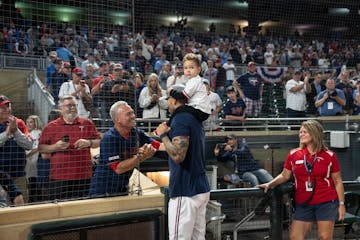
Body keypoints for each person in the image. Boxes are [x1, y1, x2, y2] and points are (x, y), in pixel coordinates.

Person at [258, 120, 346, 240]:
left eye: (305, 132)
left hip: (326, 202)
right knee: (295, 236)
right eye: (300, 132)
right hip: (304, 203)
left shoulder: (329, 155)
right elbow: (285, 175)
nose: (301, 134)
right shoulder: (294, 154)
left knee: (325, 237)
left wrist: (341, 204)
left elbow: (337, 181)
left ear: (314, 134)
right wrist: (269, 183)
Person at [155, 85, 210, 240]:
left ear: (174, 100)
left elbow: (179, 156)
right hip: (199, 188)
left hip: (185, 190)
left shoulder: (180, 118)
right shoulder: (193, 117)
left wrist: (163, 136)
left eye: (169, 99)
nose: (168, 103)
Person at [38, 95, 102, 200]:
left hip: (83, 176)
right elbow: (41, 148)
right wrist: (55, 147)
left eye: (74, 105)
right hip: (60, 177)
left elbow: (99, 141)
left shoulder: (87, 123)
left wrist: (89, 142)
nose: (72, 108)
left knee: (83, 208)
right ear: (61, 109)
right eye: (69, 106)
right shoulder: (51, 126)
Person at [89, 101, 158, 197]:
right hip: (103, 192)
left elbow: (156, 145)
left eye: (133, 112)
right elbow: (118, 168)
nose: (133, 116)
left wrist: (154, 146)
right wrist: (142, 156)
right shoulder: (110, 138)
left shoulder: (136, 132)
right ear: (118, 119)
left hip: (122, 189)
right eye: (129, 114)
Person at [0, 95, 33, 203]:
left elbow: (28, 145)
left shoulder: (17, 123)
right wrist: (7, 133)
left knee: (22, 211)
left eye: (8, 106)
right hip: (2, 178)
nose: (7, 109)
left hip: (19, 175)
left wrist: (15, 131)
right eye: (3, 107)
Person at [169, 53, 211, 122]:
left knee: (179, 109)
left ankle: (168, 125)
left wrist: (170, 91)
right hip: (201, 110)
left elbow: (183, 96)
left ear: (199, 69)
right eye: (185, 68)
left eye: (191, 67)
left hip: (200, 110)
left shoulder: (194, 80)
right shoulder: (194, 80)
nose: (188, 70)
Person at [25, 115, 43, 203]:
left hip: (34, 159)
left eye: (31, 122)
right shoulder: (29, 133)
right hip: (30, 159)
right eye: (27, 122)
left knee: (33, 180)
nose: (28, 124)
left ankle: (34, 200)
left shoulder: (37, 133)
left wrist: (27, 154)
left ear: (36, 123)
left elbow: (37, 147)